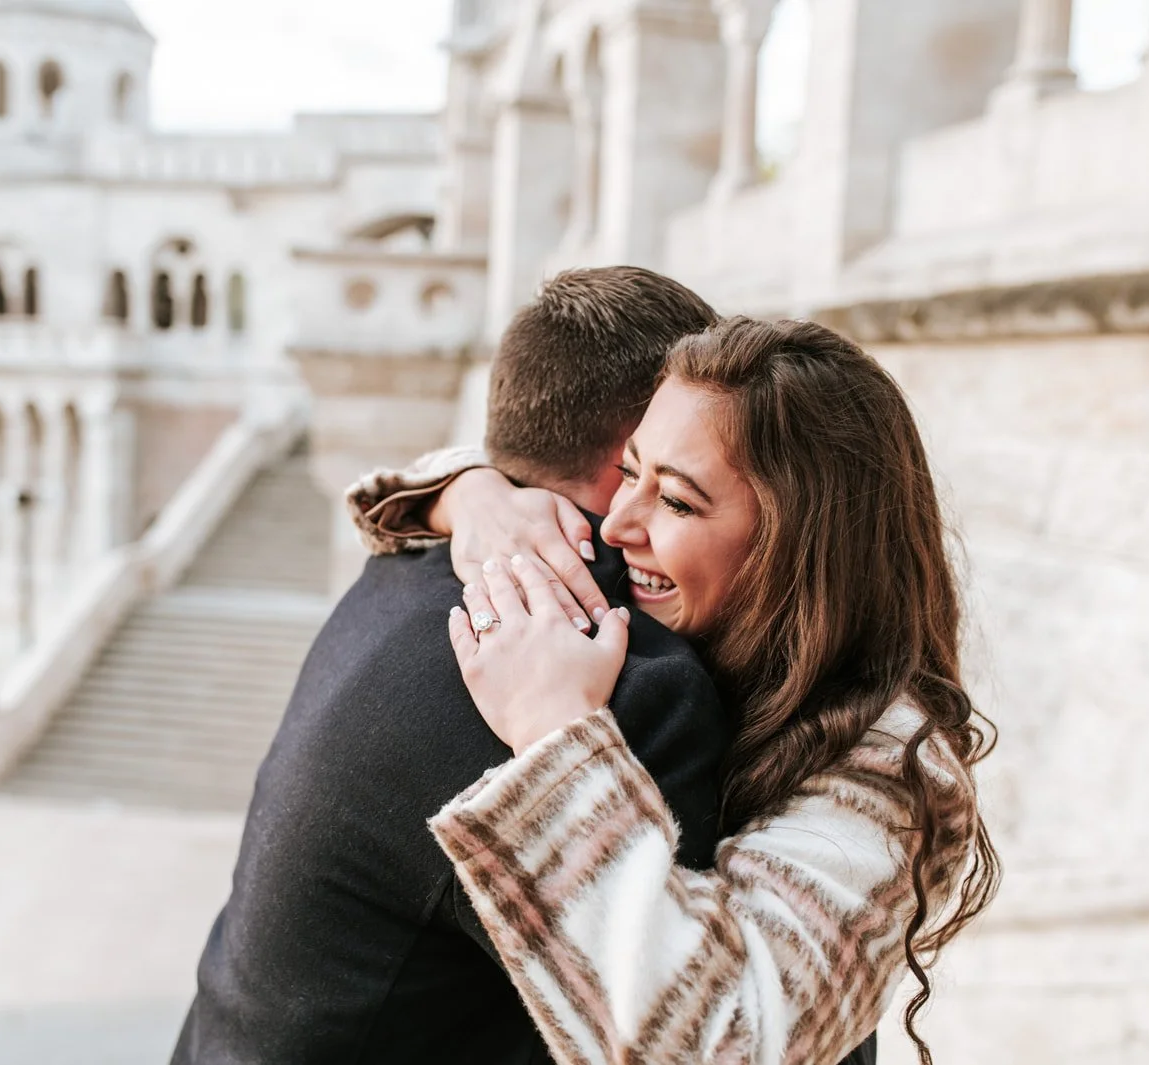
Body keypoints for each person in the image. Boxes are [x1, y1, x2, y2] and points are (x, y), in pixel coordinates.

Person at [346, 315, 998, 1065]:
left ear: (802, 549)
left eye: (679, 502)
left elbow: (727, 1043)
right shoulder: (687, 616)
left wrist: (553, 729)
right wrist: (472, 493)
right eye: (630, 471)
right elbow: (379, 497)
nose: (619, 523)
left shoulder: (888, 773)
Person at [170, 267, 740, 1065]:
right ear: (637, 456)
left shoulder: (404, 565)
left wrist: (462, 487)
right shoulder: (631, 677)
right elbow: (698, 1022)